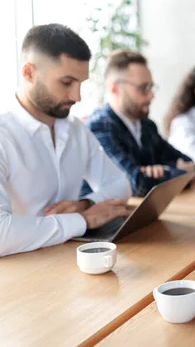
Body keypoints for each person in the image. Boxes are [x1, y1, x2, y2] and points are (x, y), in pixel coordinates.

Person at [0, 24, 132, 257]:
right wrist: (82, 220)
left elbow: (121, 184)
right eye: (67, 82)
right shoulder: (4, 137)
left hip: (71, 257)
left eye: (81, 83)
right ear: (29, 72)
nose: (76, 96)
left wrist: (85, 204)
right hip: (20, 273)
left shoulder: (75, 129)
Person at [83, 50, 195, 197]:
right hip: (111, 217)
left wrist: (160, 170)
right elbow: (135, 184)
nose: (151, 95)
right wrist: (172, 170)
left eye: (151, 87)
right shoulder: (99, 128)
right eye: (143, 88)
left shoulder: (147, 126)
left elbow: (189, 164)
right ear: (115, 88)